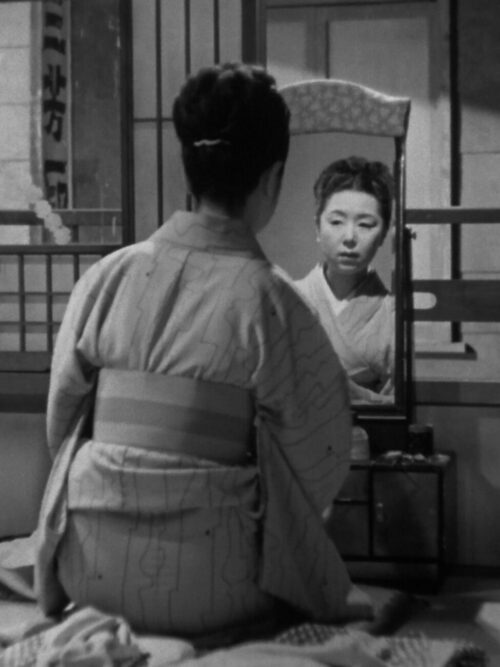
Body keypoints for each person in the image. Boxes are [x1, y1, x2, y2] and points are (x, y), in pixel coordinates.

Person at [35, 63, 366, 638]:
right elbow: (323, 456)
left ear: (188, 165)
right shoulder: (273, 300)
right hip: (215, 583)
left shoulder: (108, 276)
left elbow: (61, 422)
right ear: (273, 178)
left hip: (88, 571)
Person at [295, 156, 395, 405]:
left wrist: (360, 395)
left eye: (365, 224)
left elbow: (399, 404)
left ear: (383, 233)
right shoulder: (288, 298)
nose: (350, 237)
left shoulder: (393, 315)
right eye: (337, 222)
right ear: (317, 227)